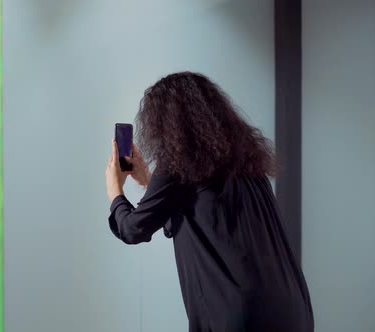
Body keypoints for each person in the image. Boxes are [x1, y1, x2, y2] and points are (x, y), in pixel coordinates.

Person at [105, 72, 314, 332]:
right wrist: (148, 180)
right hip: (292, 308)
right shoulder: (245, 160)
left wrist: (115, 192)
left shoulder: (178, 164)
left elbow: (134, 228)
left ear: (164, 121)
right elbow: (197, 214)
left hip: (238, 315)